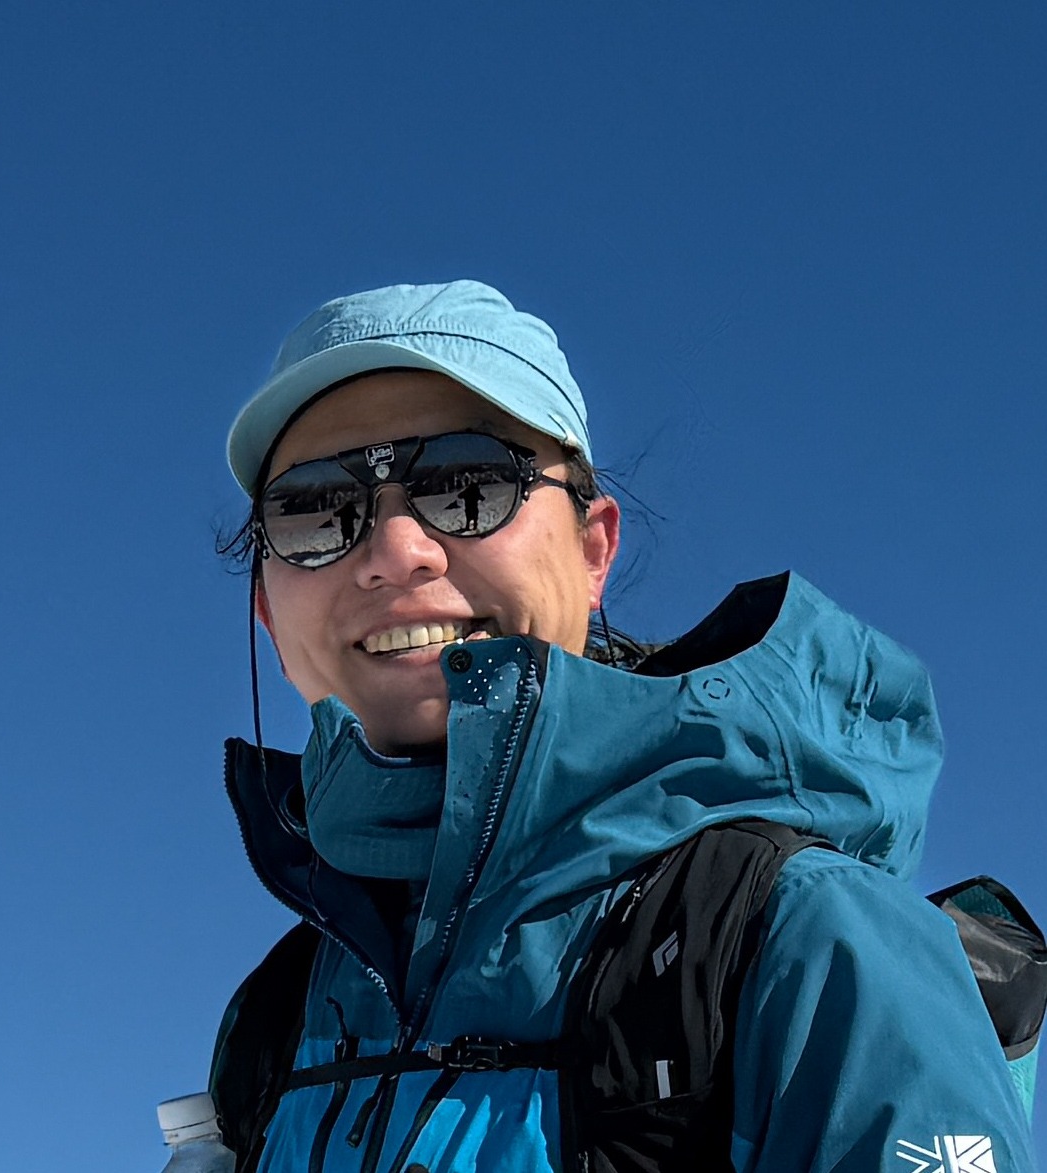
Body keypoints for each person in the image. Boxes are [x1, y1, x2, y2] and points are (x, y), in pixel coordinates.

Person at [213, 280, 1037, 1172]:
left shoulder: (801, 939)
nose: (394, 552)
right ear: (269, 613)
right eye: (313, 509)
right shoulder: (277, 1015)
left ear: (593, 548)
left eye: (465, 484)